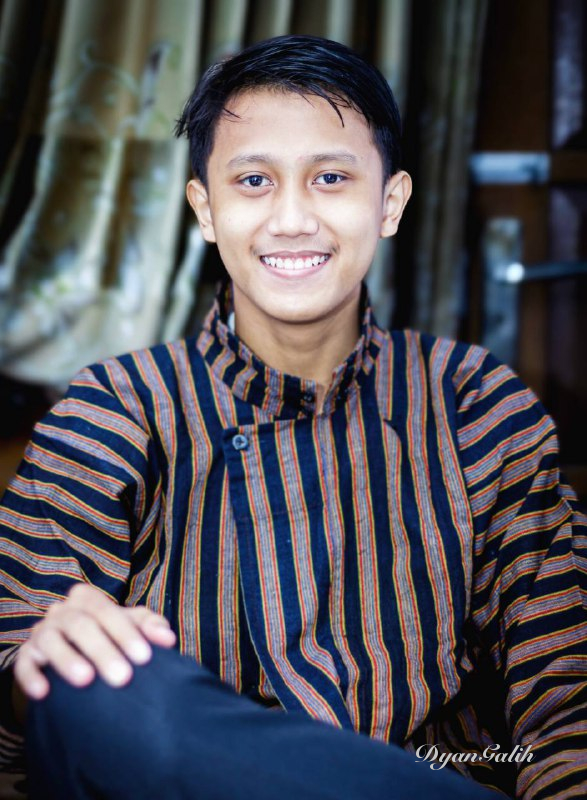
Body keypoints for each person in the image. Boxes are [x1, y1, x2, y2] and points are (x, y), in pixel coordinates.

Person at [0, 34, 585, 800]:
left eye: (330, 178)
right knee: (99, 686)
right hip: (186, 783)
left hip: (430, 784)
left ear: (389, 203)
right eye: (253, 181)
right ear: (205, 210)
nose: (291, 218)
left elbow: (563, 693)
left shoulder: (473, 401)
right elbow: (21, 653)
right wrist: (49, 654)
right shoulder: (117, 406)